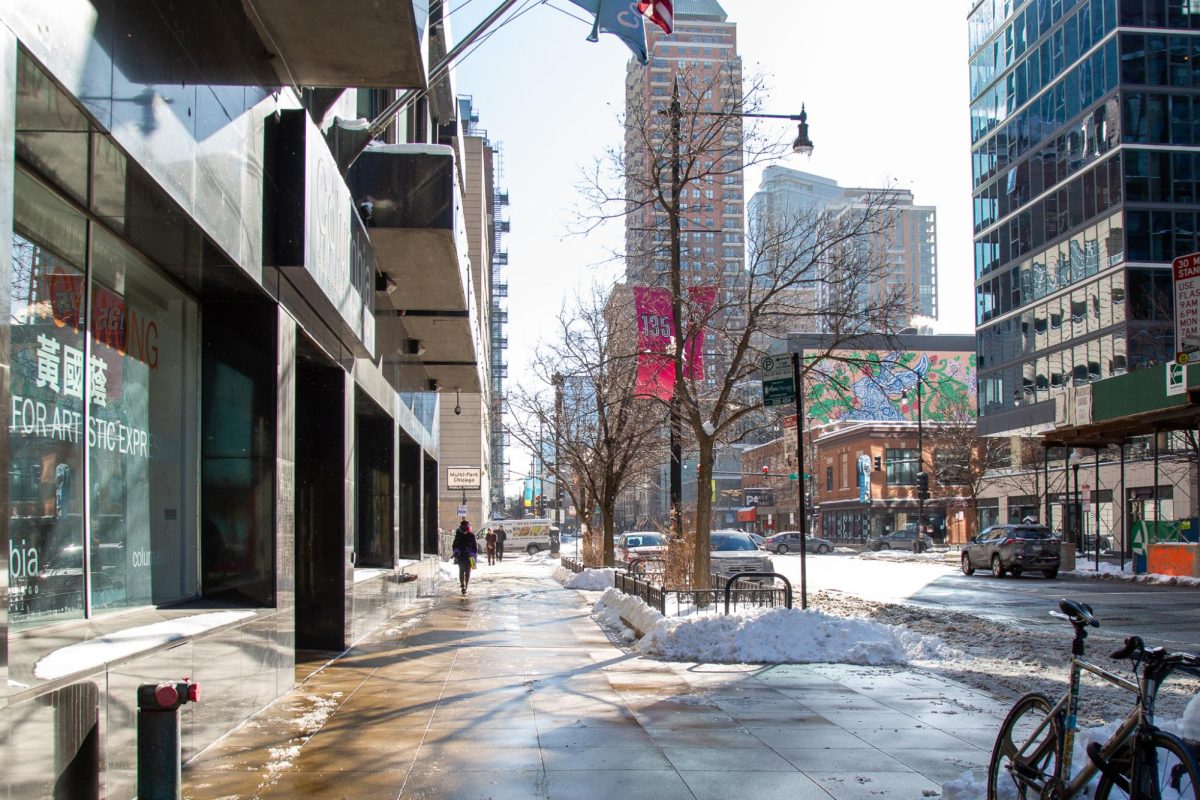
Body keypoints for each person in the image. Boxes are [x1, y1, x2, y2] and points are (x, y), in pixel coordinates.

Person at [451, 520, 478, 595]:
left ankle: (465, 586)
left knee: (467, 572)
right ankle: (463, 585)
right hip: (461, 556)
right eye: (463, 527)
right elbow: (454, 545)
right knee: (462, 571)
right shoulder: (458, 535)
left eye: (466, 527)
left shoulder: (471, 535)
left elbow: (475, 547)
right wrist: (457, 551)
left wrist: (473, 553)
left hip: (469, 556)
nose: (465, 529)